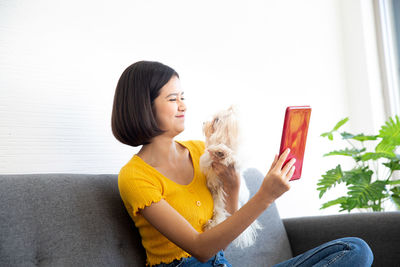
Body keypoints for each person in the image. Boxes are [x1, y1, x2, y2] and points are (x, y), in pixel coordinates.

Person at [111, 61, 374, 267]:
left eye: (183, 96)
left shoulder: (200, 150)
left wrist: (232, 183)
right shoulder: (135, 177)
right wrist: (265, 196)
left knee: (354, 250)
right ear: (144, 106)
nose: (183, 106)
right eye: (172, 99)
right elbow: (201, 249)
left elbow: (221, 243)